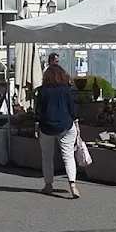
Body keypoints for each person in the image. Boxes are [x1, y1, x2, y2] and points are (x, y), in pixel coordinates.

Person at [35, 64, 80, 198]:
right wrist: (76, 123)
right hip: (66, 124)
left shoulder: (42, 91)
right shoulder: (66, 89)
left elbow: (38, 111)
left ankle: (48, 185)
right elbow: (71, 109)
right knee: (68, 156)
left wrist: (36, 126)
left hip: (47, 126)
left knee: (47, 157)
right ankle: (72, 185)